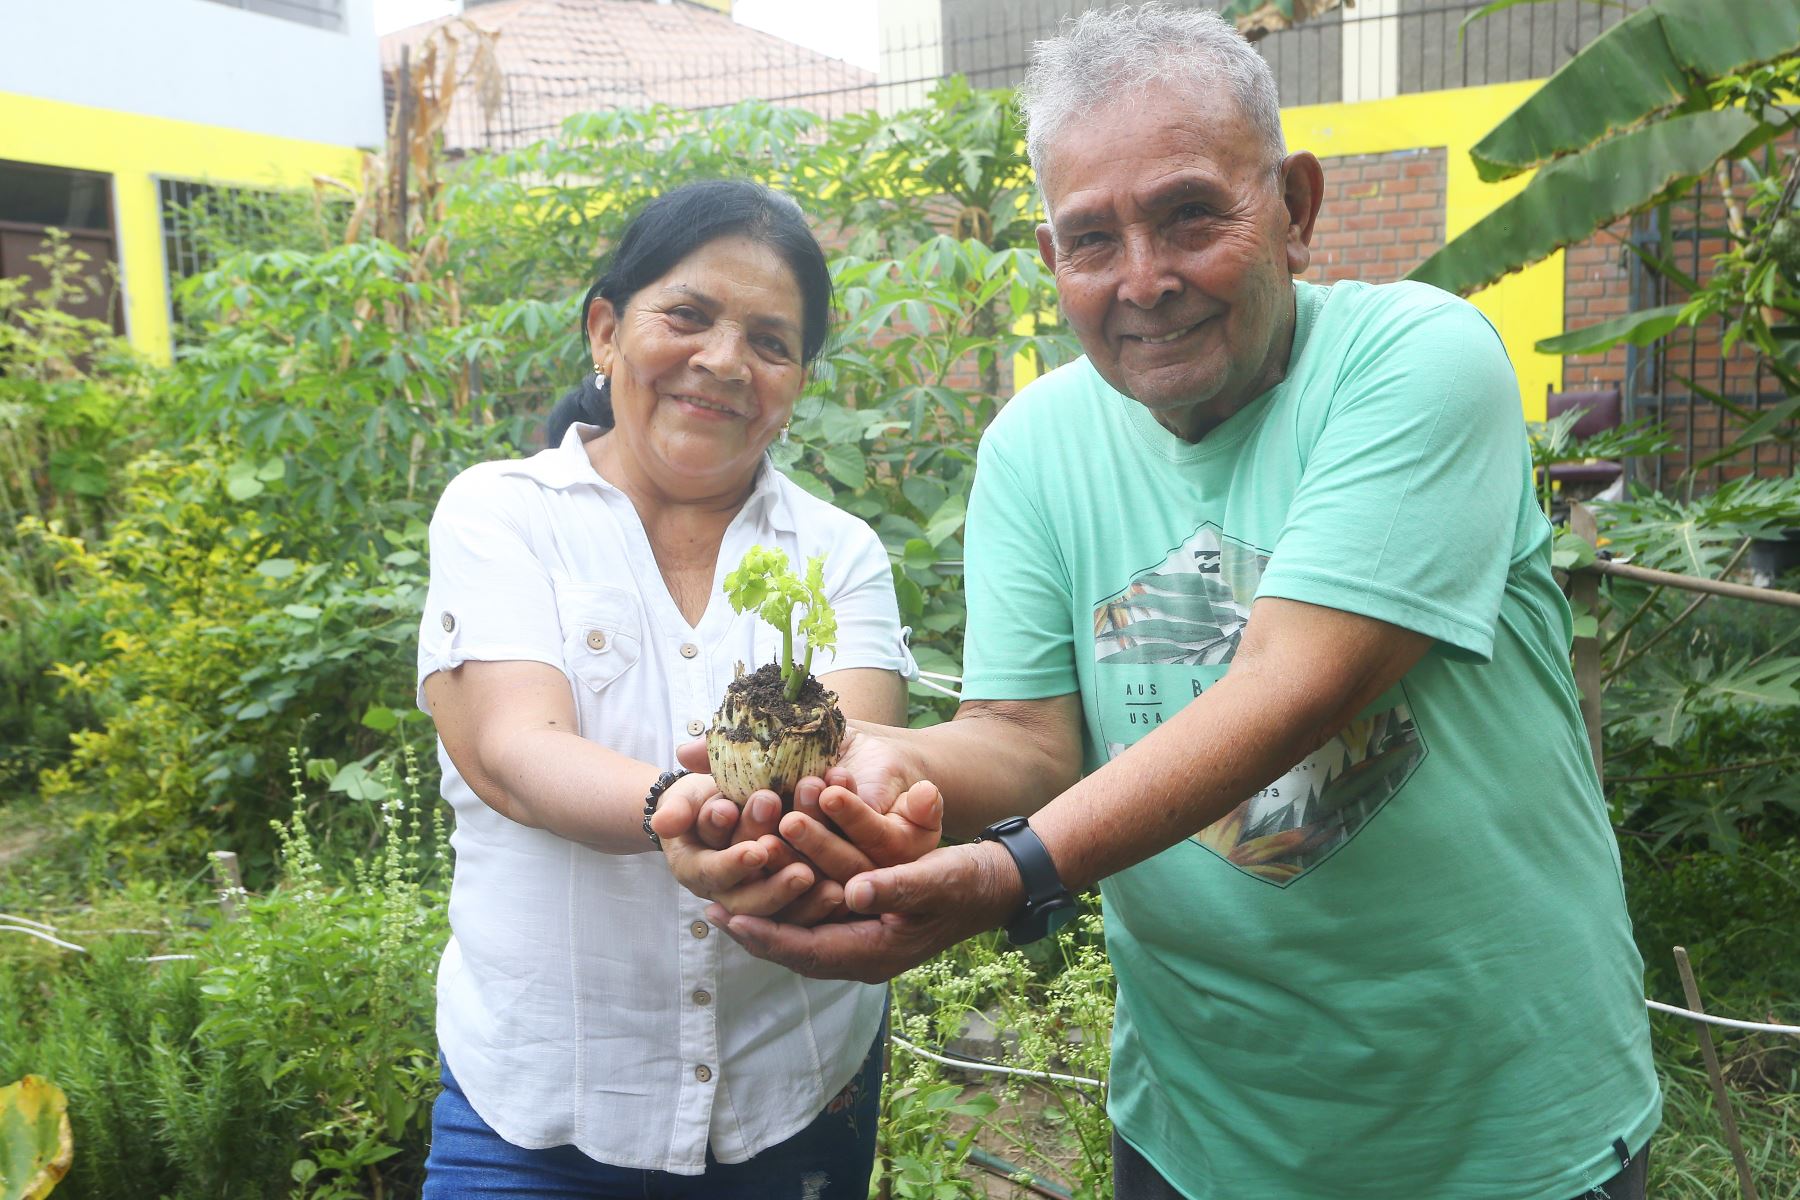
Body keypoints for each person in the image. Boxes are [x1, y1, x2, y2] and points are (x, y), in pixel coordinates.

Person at [678, 8, 1662, 1199]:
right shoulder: (1036, 445)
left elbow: (1292, 690)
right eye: (1092, 239)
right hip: (1202, 1130)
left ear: (1295, 208)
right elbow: (1022, 739)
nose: (1144, 281)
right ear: (1052, 262)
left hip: (1503, 1126)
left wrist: (1007, 875)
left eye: (1192, 215)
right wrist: (875, 772)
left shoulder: (1417, 362)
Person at [413, 179, 917, 1197]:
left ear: (799, 379)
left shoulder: (841, 552)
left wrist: (852, 818)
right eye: (686, 316)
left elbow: (858, 749)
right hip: (541, 1108)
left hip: (795, 1090)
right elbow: (516, 750)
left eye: (771, 342)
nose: (724, 361)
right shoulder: (501, 517)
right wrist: (669, 807)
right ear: (606, 331)